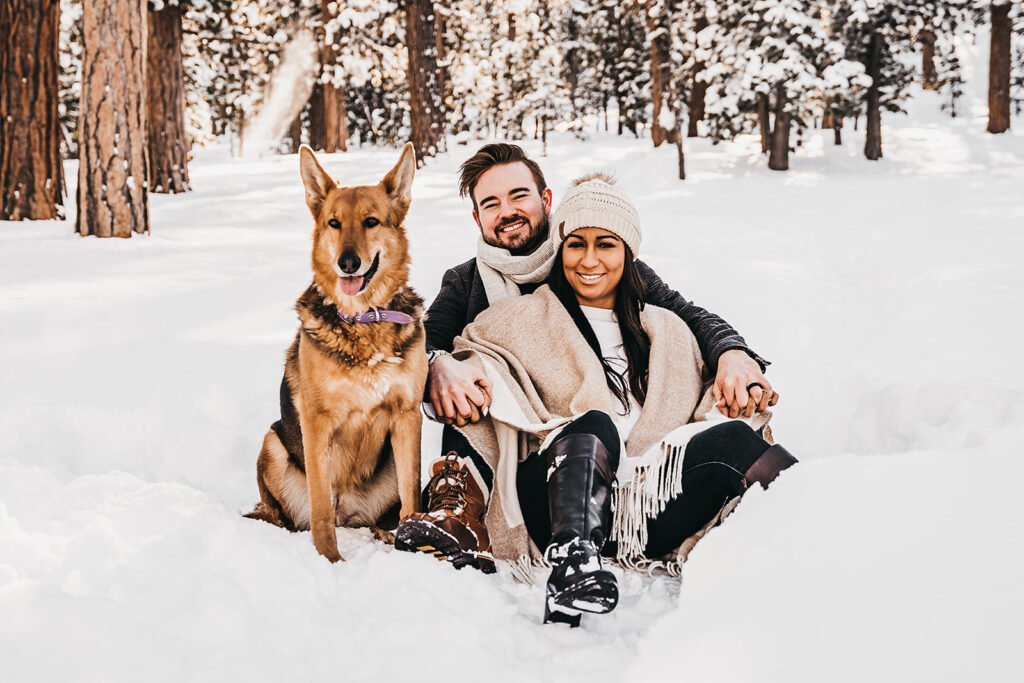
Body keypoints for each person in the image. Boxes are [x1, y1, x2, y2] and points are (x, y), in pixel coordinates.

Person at [419, 175, 797, 626]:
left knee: (735, 437)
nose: (590, 260)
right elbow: (449, 352)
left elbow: (697, 320)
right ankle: (573, 565)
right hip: (554, 499)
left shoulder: (663, 325)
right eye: (576, 244)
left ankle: (810, 525)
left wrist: (734, 357)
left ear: (628, 254)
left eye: (606, 245)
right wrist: (439, 361)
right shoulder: (511, 315)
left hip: (646, 507)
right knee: (592, 422)